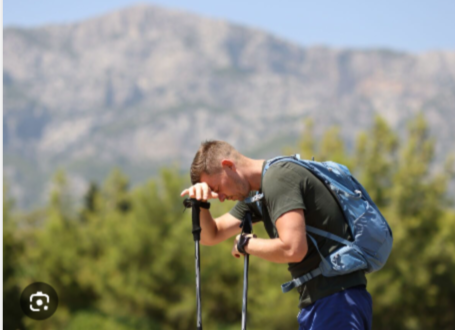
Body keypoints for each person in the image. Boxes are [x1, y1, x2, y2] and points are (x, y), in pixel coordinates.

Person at [180, 140, 372, 330]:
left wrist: (246, 243)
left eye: (217, 189)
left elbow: (293, 248)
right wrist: (200, 204)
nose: (220, 198)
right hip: (321, 302)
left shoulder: (277, 179)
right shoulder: (258, 195)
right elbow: (210, 235)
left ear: (228, 166)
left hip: (336, 300)